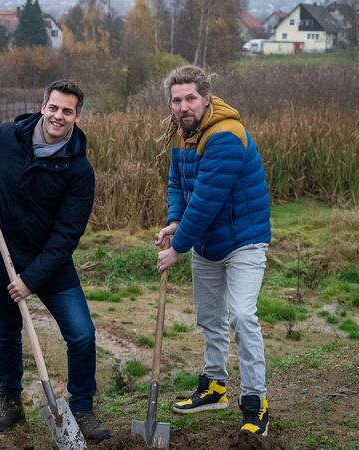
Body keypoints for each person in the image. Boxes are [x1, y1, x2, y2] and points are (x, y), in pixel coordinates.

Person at [0, 80, 110, 444]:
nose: (58, 116)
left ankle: (81, 407)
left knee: (81, 335)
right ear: (42, 106)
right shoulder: (6, 136)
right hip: (2, 254)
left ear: (77, 116)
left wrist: (30, 280)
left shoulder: (79, 170)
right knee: (5, 335)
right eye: (54, 107)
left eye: (68, 111)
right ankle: (10, 402)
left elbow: (66, 236)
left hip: (50, 263)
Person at [155, 65, 271, 436]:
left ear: (206, 97)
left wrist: (178, 248)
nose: (183, 105)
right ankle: (214, 386)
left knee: (241, 316)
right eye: (177, 100)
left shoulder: (225, 134)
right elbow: (178, 182)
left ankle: (256, 402)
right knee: (209, 318)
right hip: (207, 242)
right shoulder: (180, 131)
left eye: (190, 98)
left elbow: (206, 200)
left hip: (243, 241)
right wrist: (175, 221)